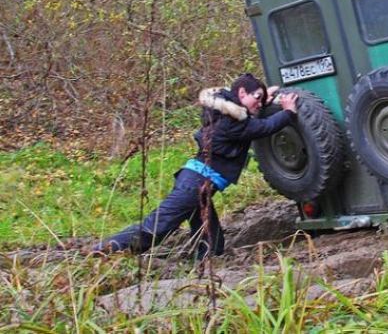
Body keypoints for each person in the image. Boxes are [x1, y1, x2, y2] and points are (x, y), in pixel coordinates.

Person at [92, 73, 298, 259]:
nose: (260, 104)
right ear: (242, 93)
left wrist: (262, 98)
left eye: (261, 100)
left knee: (212, 242)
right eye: (257, 98)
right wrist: (288, 111)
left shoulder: (225, 111)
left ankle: (205, 264)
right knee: (156, 228)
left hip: (197, 185)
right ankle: (106, 250)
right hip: (195, 186)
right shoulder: (232, 122)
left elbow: (248, 117)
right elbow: (264, 127)